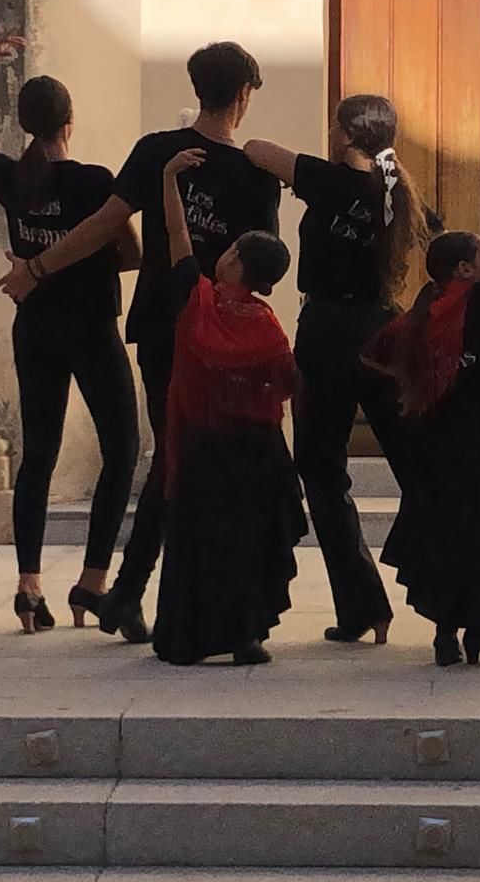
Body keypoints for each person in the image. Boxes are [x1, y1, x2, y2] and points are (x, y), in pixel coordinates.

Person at [0, 42, 282, 642]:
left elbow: (103, 225)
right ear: (243, 95)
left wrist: (36, 268)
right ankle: (138, 592)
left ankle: (127, 591)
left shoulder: (157, 151)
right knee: (187, 461)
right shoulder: (255, 174)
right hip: (218, 337)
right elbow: (262, 267)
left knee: (172, 457)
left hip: (159, 326)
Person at [0, 33, 141, 633]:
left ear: (25, 125)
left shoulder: (13, 178)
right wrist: (79, 257)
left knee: (38, 455)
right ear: (70, 122)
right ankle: (92, 580)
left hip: (35, 327)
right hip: (90, 327)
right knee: (121, 450)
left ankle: (28, 585)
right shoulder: (93, 181)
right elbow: (131, 252)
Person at [242, 95, 430, 646]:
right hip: (383, 330)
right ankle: (454, 591)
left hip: (327, 331)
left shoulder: (328, 181)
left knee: (322, 469)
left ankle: (362, 604)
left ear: (346, 135)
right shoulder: (396, 192)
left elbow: (256, 149)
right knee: (417, 466)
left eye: (334, 127)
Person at [367, 169, 480, 667]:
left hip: (438, 444)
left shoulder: (422, 314)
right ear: (463, 269)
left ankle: (448, 634)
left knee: (448, 534)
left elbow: (377, 357)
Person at [148, 146, 304, 666]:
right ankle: (246, 635)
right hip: (257, 454)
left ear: (233, 262)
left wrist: (169, 178)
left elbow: (176, 236)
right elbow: (288, 382)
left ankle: (187, 637)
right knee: (248, 545)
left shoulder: (197, 301)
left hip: (201, 447)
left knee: (199, 542)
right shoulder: (268, 327)